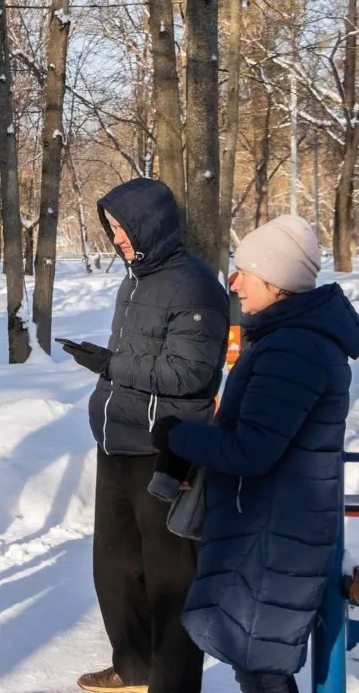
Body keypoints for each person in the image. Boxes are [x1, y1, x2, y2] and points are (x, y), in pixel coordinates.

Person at [150, 215, 359, 693]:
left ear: (277, 279)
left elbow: (251, 450)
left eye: (245, 271)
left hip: (274, 536)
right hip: (273, 529)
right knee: (256, 660)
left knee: (261, 667)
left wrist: (177, 436)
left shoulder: (294, 349)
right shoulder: (288, 339)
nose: (234, 282)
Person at [60, 178, 229, 693]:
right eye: (112, 229)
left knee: (169, 579)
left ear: (151, 225)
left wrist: (110, 363)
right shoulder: (133, 280)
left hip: (166, 449)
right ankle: (133, 668)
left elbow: (189, 374)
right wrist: (108, 369)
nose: (119, 239)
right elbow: (137, 362)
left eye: (125, 228)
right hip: (117, 441)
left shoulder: (196, 285)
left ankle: (172, 684)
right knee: (114, 568)